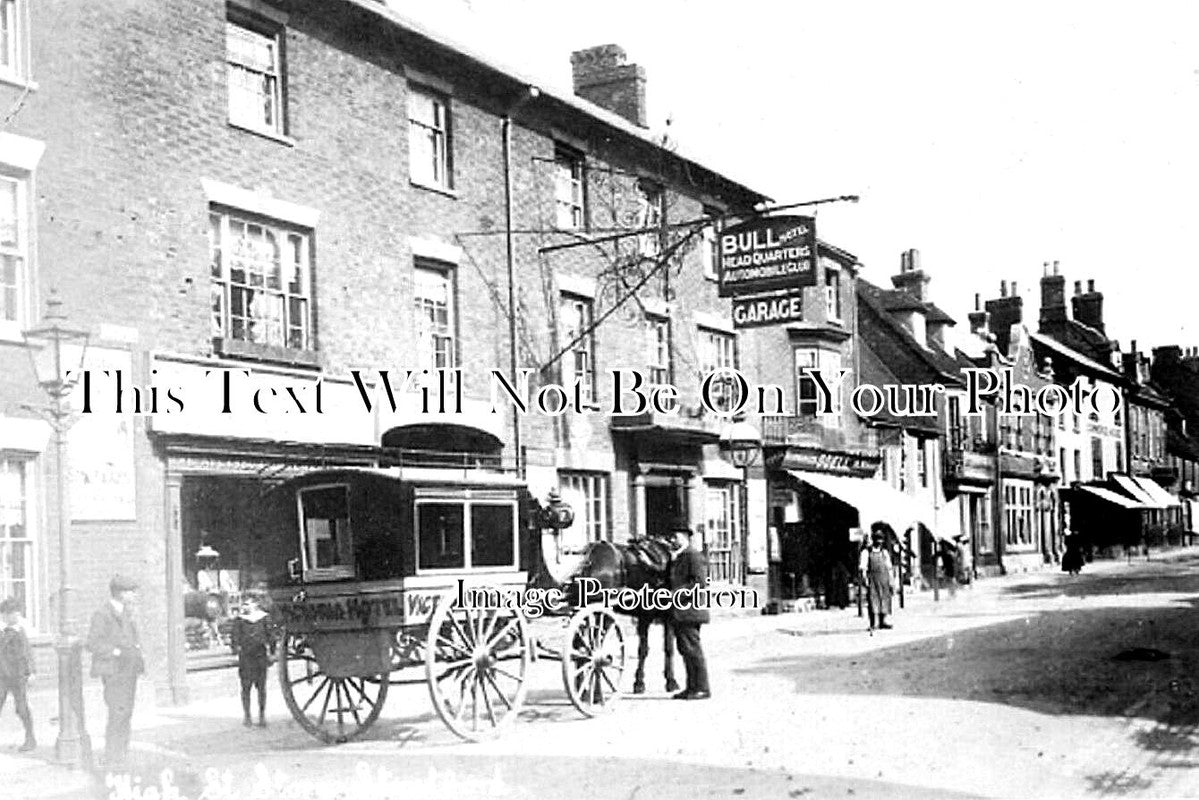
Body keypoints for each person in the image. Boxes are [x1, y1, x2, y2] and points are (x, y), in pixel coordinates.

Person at [87, 575, 144, 768]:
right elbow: (93, 643)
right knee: (117, 712)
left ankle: (121, 754)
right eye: (130, 591)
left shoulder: (127, 612)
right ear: (120, 593)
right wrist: (116, 652)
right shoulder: (102, 614)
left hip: (129, 669)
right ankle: (112, 755)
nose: (134, 595)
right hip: (113, 670)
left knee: (126, 712)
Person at [667, 520, 710, 700]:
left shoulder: (693, 556)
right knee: (685, 649)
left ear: (685, 537)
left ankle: (702, 688)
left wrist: (674, 594)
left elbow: (698, 583)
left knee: (692, 650)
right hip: (681, 611)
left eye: (675, 536)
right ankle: (691, 687)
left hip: (690, 610)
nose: (672, 540)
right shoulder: (679, 556)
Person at [231, 592, 274, 727]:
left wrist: (272, 652)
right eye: (244, 603)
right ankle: (247, 716)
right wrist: (235, 649)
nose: (245, 606)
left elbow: (271, 637)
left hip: (260, 656)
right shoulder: (239, 620)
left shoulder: (264, 618)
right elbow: (234, 638)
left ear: (255, 604)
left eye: (248, 603)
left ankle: (262, 716)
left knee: (261, 688)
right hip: (246, 657)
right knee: (246, 687)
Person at [0, 598, 36, 751]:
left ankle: (30, 738)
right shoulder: (2, 632)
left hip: (18, 676)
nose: (16, 616)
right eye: (11, 613)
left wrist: (31, 672)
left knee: (21, 708)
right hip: (2, 675)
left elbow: (27, 654)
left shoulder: (19, 632)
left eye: (16, 613)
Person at [859, 525, 895, 630]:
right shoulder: (867, 552)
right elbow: (863, 567)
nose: (879, 542)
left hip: (884, 579)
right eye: (877, 539)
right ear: (873, 540)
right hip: (873, 579)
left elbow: (889, 567)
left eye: (881, 539)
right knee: (873, 600)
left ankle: (883, 621)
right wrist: (865, 579)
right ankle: (873, 623)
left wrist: (891, 580)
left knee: (884, 599)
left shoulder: (884, 552)